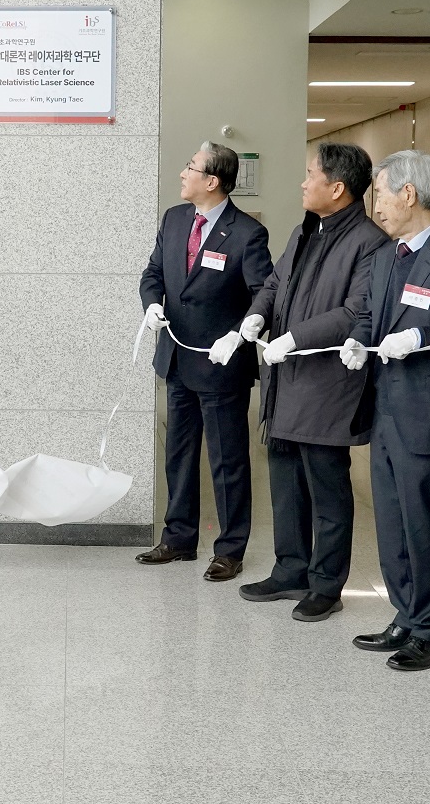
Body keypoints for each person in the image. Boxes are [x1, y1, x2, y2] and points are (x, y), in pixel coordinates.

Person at [340, 150, 430, 671]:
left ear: (409, 193)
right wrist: (360, 341)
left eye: (380, 192)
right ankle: (404, 612)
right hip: (385, 409)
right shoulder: (384, 257)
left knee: (425, 520)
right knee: (392, 519)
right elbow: (367, 317)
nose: (374, 203)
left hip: (429, 415)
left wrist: (423, 336)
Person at [239, 142, 388, 621]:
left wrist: (296, 337)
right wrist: (255, 319)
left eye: (310, 175)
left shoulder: (369, 242)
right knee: (284, 479)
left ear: (337, 187)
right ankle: (291, 568)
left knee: (326, 487)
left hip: (326, 385)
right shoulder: (306, 230)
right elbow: (275, 284)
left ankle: (326, 583)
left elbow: (355, 312)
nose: (303, 183)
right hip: (284, 380)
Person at [136, 141, 273, 581]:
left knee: (227, 460)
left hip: (221, 365)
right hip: (177, 358)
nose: (183, 172)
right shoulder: (175, 220)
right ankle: (178, 538)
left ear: (211, 181)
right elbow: (153, 272)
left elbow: (264, 294)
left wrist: (240, 334)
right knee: (178, 454)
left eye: (190, 166)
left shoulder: (248, 233)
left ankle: (230, 549)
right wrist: (152, 304)